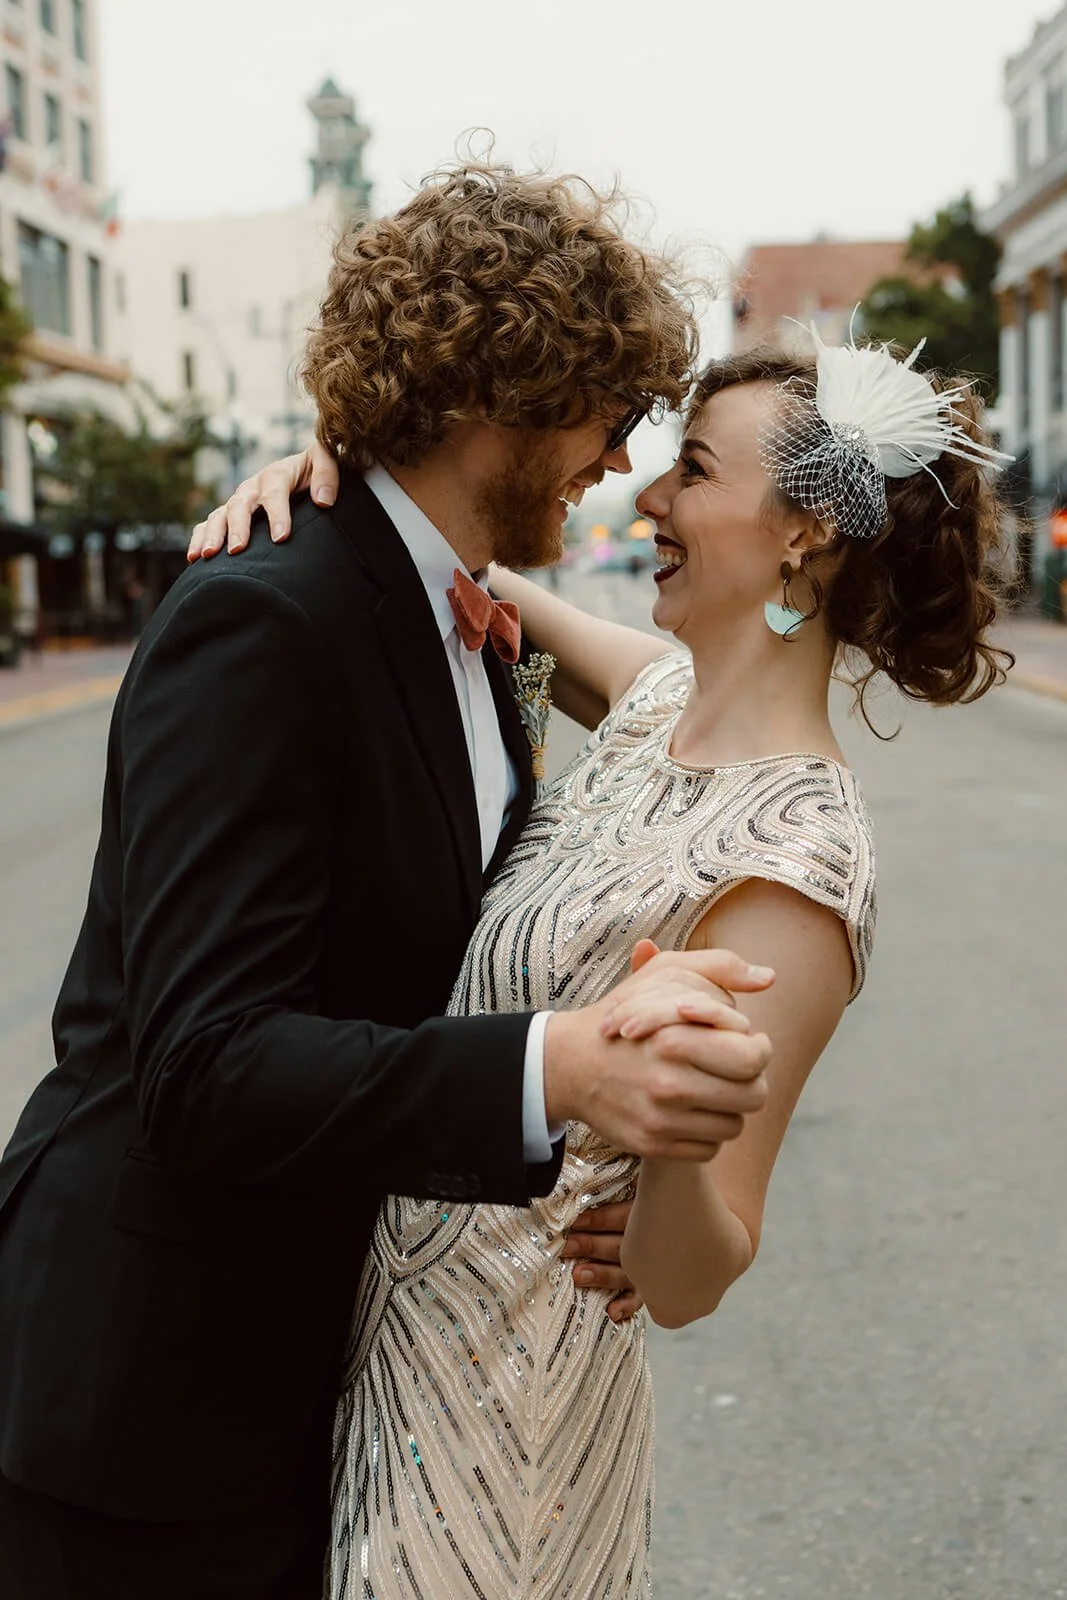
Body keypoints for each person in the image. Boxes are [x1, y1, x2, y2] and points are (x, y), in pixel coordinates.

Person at [0, 164, 776, 1600]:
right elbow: (204, 1061)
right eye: (607, 411)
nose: (614, 459)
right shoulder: (263, 613)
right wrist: (556, 1071)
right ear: (512, 386)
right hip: (145, 1404)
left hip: (324, 1379)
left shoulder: (469, 625)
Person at [188, 325, 1013, 1595]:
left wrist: (678, 1135)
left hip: (508, 1416)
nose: (650, 496)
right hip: (383, 1346)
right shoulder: (646, 704)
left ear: (804, 533)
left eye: (690, 468)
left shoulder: (794, 859)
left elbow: (691, 1275)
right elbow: (450, 560)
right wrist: (314, 480)